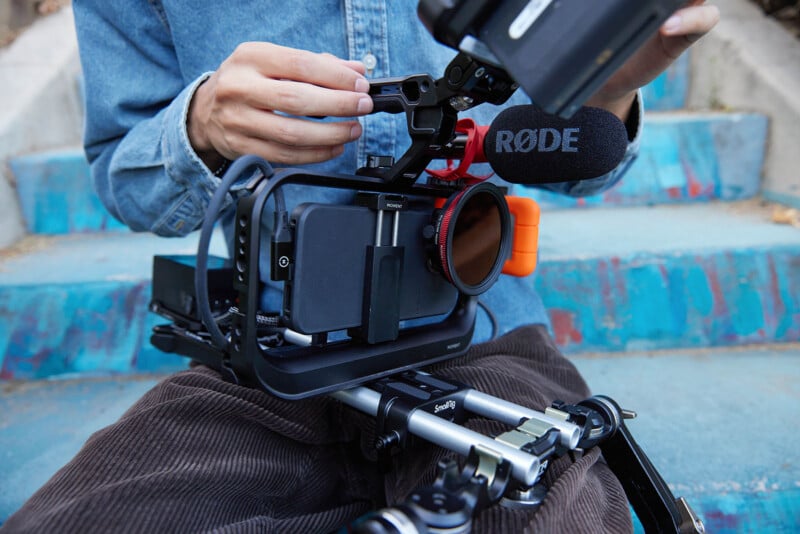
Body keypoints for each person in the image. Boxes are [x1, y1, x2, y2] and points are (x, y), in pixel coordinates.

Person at [3, 2, 719, 533]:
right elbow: (123, 175)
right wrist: (199, 127)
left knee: (543, 517)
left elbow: (572, 158)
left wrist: (603, 88)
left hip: (474, 329)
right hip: (273, 348)